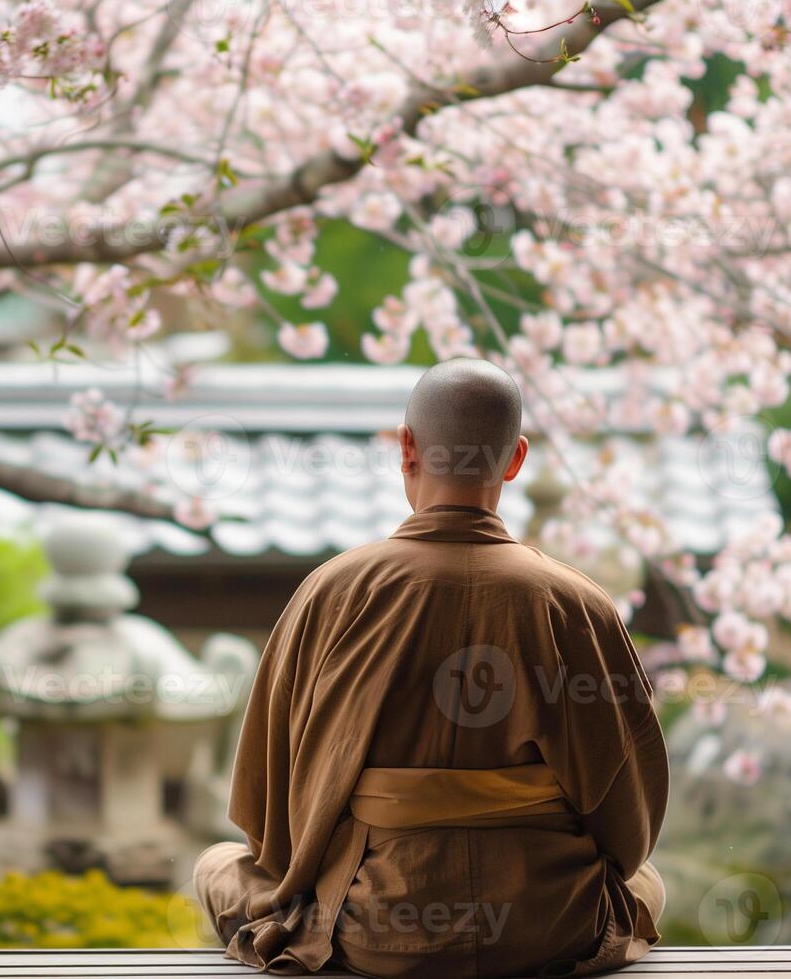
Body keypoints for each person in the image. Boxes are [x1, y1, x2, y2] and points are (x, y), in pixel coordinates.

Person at [193, 358, 668, 979]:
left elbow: (270, 820)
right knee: (648, 884)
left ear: (407, 448)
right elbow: (630, 826)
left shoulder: (332, 591)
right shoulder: (575, 603)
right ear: (515, 459)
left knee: (216, 865)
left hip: (374, 925)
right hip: (549, 921)